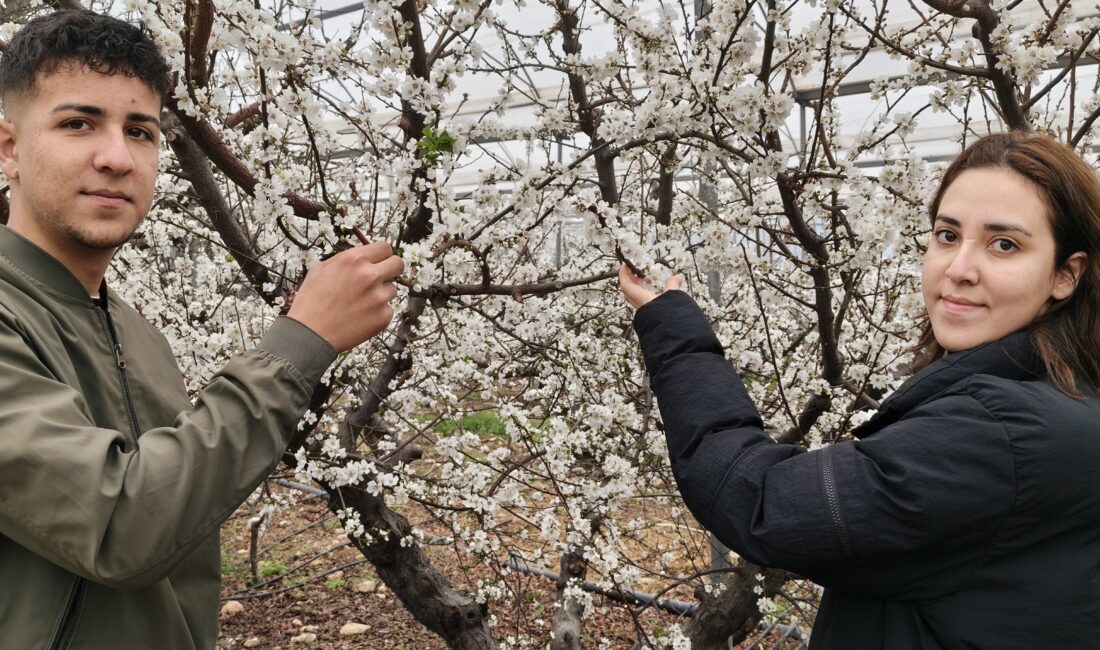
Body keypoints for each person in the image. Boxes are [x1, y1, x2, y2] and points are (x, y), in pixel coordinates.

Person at [0, 10, 403, 649]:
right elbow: (119, 526)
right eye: (78, 123)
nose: (116, 158)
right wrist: (301, 341)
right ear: (9, 148)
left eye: (140, 131)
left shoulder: (140, 336)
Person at [619, 131, 1100, 649]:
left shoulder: (1005, 435)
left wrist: (673, 331)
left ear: (1066, 275)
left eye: (1004, 244)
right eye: (947, 235)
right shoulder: (1066, 396)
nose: (959, 269)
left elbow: (760, 502)